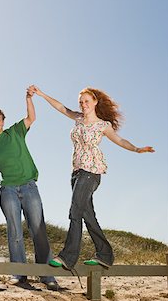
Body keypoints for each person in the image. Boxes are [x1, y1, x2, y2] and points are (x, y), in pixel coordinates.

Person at [29, 85, 155, 270]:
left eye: (87, 101)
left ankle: (68, 257)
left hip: (91, 173)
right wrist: (40, 94)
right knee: (88, 216)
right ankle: (104, 255)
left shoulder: (102, 125)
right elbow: (60, 107)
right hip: (77, 172)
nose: (83, 105)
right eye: (81, 102)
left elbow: (120, 140)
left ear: (95, 102)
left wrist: (136, 149)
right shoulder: (78, 119)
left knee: (75, 211)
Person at [0, 89, 59, 290]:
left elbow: (31, 117)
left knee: (38, 230)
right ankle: (19, 274)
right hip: (8, 191)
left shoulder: (15, 131)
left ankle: (46, 275)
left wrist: (28, 99)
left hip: (29, 187)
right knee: (14, 231)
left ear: (3, 122)